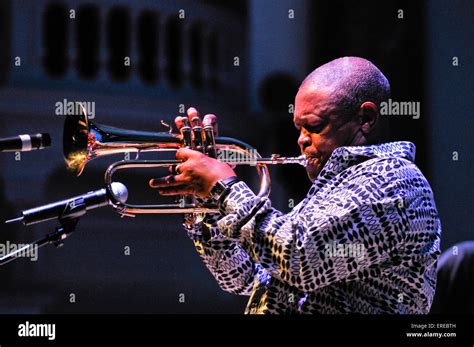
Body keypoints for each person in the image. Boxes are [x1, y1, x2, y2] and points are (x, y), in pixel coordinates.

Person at [149, 57, 441, 314]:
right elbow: (242, 278)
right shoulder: (332, 191)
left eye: (314, 126)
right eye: (298, 128)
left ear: (365, 118)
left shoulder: (394, 180)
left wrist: (223, 186)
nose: (301, 140)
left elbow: (301, 258)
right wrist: (209, 205)